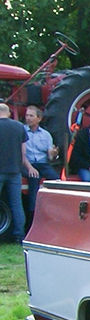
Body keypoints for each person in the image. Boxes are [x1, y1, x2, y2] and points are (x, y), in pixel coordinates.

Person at [22, 104, 59, 231]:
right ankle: (31, 222)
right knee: (33, 183)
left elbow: (50, 156)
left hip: (42, 164)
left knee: (56, 179)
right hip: (28, 163)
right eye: (27, 115)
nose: (28, 118)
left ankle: (55, 212)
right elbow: (21, 154)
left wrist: (53, 154)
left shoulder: (46, 135)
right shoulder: (22, 131)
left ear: (39, 118)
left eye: (31, 116)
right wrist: (30, 168)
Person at [0, 103, 27, 243]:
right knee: (16, 204)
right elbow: (23, 153)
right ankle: (19, 235)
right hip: (15, 171)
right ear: (9, 113)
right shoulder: (19, 127)